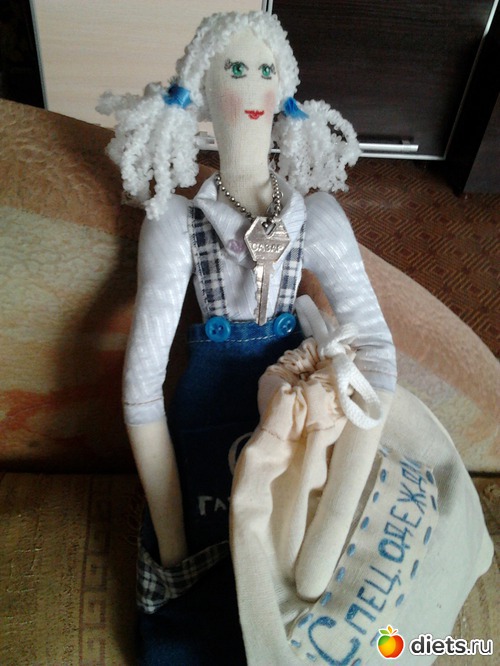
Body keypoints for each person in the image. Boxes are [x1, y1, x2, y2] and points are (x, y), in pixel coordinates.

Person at [99, 10, 397, 664]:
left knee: (285, 570)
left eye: (267, 70)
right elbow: (141, 385)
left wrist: (336, 510)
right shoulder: (177, 224)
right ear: (203, 91)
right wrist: (173, 544)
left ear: (285, 89)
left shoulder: (316, 219)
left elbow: (377, 351)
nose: (254, 85)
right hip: (207, 428)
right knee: (204, 613)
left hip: (294, 411)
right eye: (235, 70)